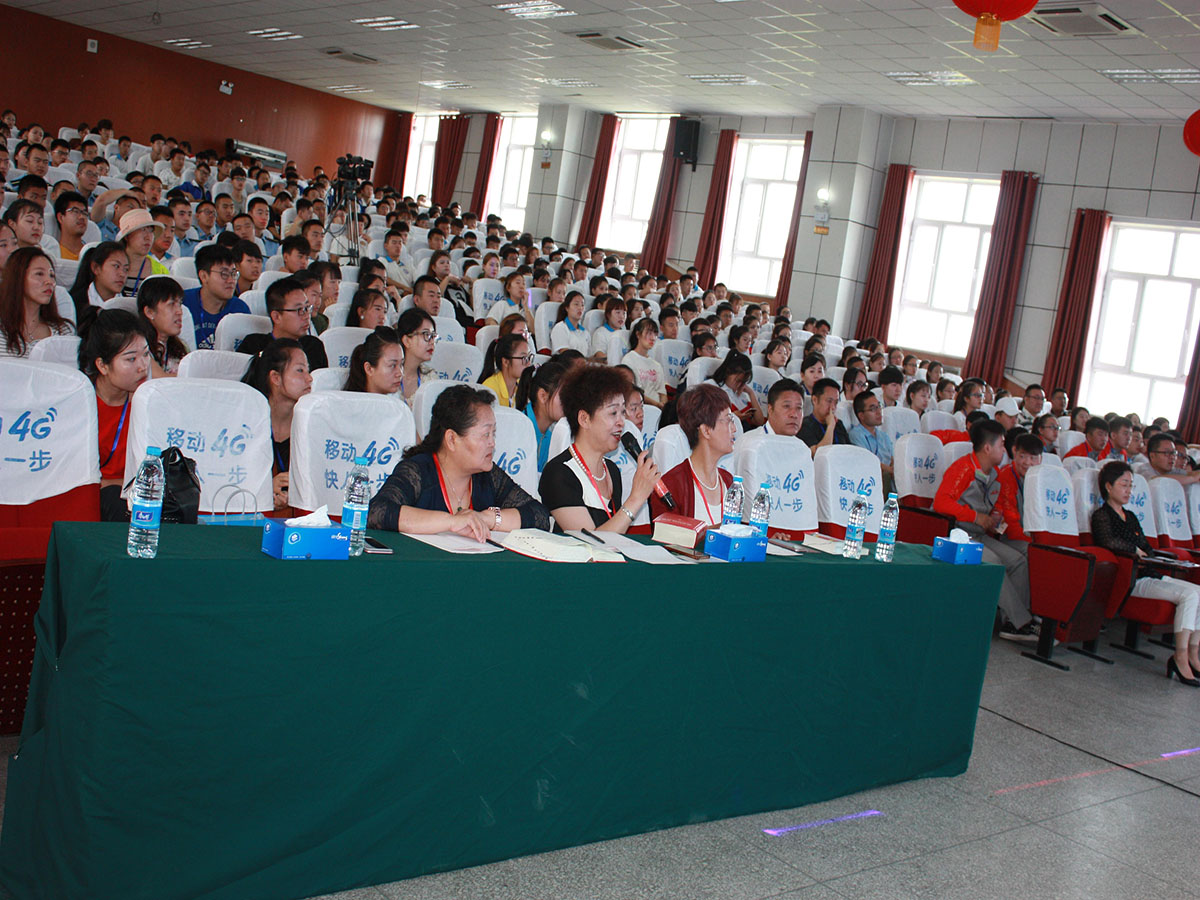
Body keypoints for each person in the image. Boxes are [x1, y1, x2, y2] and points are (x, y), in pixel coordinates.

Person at [367, 384, 549, 538]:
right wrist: (452, 522)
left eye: (493, 434)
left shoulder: (487, 476)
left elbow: (539, 516)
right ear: (452, 439)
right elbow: (377, 512)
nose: (492, 443)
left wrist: (487, 518)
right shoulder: (418, 471)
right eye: (485, 434)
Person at [1091, 460, 1200, 685]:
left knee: (1198, 592)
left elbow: (1147, 547)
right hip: (1131, 577)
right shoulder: (1102, 515)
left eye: (1130, 486)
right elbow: (1107, 542)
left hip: (1149, 572)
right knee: (1189, 595)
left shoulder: (1130, 516)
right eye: (1124, 485)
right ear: (1108, 486)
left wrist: (1153, 556)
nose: (1128, 491)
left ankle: (1193, 653)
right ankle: (1179, 657)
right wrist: (1134, 550)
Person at [933, 419, 1033, 640]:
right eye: (1001, 444)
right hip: (955, 535)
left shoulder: (995, 474)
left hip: (978, 534)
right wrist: (976, 517)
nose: (1004, 450)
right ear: (988, 448)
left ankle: (1012, 622)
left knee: (1018, 561)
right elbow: (941, 503)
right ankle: (1022, 622)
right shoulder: (963, 468)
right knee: (993, 563)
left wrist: (994, 517)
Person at [538, 366, 660, 532]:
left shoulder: (611, 470)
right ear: (584, 419)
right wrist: (636, 498)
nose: (621, 422)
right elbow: (592, 542)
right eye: (613, 413)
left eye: (623, 412)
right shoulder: (558, 474)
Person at [78, 309, 150, 520]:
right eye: (131, 359)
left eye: (146, 355)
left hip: (132, 495)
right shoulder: (79, 403)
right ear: (102, 365)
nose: (142, 367)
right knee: (114, 500)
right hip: (91, 500)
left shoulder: (147, 402)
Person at [648, 384, 736, 525]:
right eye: (728, 420)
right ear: (706, 431)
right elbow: (668, 536)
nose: (734, 428)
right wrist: (721, 532)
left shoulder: (729, 481)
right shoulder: (671, 486)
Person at [242, 338, 311, 510]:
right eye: (300, 370)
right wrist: (266, 490)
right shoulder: (248, 426)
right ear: (276, 378)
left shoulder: (310, 427)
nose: (309, 378)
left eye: (308, 370)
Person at [236, 276, 328, 370]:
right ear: (276, 317)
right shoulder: (253, 345)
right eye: (299, 309)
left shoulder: (313, 346)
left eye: (307, 307)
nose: (306, 316)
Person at [1, 247, 72, 357]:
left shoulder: (62, 331)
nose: (49, 281)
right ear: (18, 277)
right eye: (39, 274)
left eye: (52, 275)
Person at [181, 244, 250, 350]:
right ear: (204, 276)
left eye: (233, 273)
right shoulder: (182, 303)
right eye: (224, 274)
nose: (231, 280)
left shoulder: (240, 309)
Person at [515, 356, 569, 471]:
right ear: (543, 396)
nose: (569, 401)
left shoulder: (549, 436)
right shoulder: (518, 430)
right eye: (563, 395)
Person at [992, 432, 1043, 544]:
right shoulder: (1005, 477)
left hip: (1032, 536)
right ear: (1014, 452)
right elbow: (1010, 525)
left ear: (1040, 459)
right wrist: (1036, 545)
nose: (1027, 463)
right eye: (1022, 456)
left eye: (1033, 458)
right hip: (1008, 536)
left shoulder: (1042, 479)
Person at [136, 276, 186, 376]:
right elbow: (161, 381)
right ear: (150, 312)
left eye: (179, 304)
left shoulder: (180, 347)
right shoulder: (138, 347)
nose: (179, 311)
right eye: (171, 304)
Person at [116, 208, 169, 296]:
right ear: (127, 236)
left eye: (151, 231)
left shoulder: (161, 271)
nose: (148, 237)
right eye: (143, 230)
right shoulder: (110, 265)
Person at [849, 391, 894, 489]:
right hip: (872, 480)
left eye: (879, 406)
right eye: (873, 409)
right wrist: (890, 470)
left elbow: (892, 459)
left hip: (890, 478)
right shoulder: (856, 435)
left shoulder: (884, 436)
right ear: (861, 415)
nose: (879, 412)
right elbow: (867, 461)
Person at [709, 351, 764, 428]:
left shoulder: (742, 393)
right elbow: (707, 417)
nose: (739, 385)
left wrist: (751, 393)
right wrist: (732, 417)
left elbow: (759, 421)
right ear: (728, 372)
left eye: (743, 382)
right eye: (738, 381)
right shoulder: (712, 386)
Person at [621, 317, 667, 409]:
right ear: (638, 334)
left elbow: (662, 393)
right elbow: (631, 390)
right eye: (649, 333)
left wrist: (663, 406)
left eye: (655, 334)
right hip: (639, 407)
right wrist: (656, 404)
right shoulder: (629, 359)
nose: (653, 338)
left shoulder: (656, 365)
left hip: (658, 409)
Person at [479, 331, 532, 409]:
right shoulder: (490, 389)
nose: (529, 363)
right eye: (524, 358)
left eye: (529, 357)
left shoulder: (522, 385)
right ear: (506, 362)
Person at [396, 307, 437, 407]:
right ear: (407, 341)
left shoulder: (431, 378)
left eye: (433, 336)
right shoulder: (388, 375)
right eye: (426, 334)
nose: (432, 342)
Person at [345, 326, 403, 395]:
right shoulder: (349, 401)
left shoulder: (399, 400)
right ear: (369, 369)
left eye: (401, 364)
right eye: (392, 365)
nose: (400, 373)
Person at [799, 378, 850, 449]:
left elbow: (850, 449)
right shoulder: (804, 425)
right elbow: (818, 453)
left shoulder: (838, 424)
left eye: (836, 402)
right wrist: (830, 427)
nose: (833, 407)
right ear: (814, 400)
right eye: (829, 401)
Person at [53, 191, 89, 261]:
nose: (82, 217)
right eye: (75, 211)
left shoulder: (92, 254)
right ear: (61, 217)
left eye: (84, 213)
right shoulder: (53, 254)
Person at [550, 290, 589, 355]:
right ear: (567, 308)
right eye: (576, 304)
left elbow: (589, 356)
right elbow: (566, 355)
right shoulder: (560, 328)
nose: (580, 308)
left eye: (582, 305)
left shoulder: (585, 333)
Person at [590, 295, 626, 361]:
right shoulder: (601, 333)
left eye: (624, 313)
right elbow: (599, 355)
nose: (622, 317)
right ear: (608, 314)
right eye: (618, 312)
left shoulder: (625, 333)